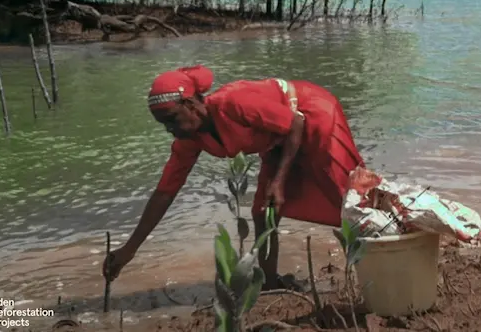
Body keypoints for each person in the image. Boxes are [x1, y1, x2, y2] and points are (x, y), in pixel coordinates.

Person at [102, 64, 366, 289]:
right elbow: (165, 192)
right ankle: (270, 283)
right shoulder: (190, 139)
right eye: (165, 125)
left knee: (349, 198)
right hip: (279, 141)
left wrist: (279, 181)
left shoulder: (234, 102)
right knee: (263, 211)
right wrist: (130, 249)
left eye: (172, 120)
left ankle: (386, 251)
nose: (170, 130)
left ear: (190, 104)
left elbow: (295, 122)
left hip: (313, 114)